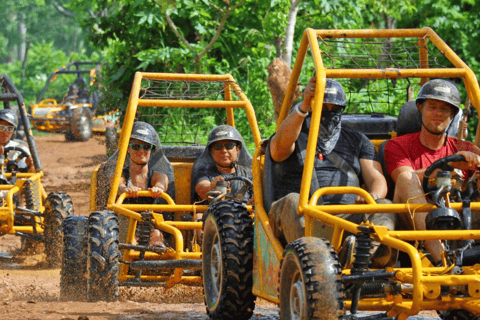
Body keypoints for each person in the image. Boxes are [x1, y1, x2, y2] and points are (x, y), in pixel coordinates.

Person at [267, 76, 395, 267]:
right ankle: (317, 261)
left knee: (385, 205)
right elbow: (278, 150)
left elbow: (377, 179)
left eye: (332, 107)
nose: (327, 111)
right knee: (293, 200)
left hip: (347, 216)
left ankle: (358, 258)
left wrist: (372, 196)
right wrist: (303, 105)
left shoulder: (357, 140)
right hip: (303, 213)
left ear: (341, 109)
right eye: (321, 105)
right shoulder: (294, 133)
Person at [384, 78, 480, 265]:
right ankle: (443, 261)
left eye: (444, 109)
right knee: (407, 177)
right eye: (432, 107)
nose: (438, 114)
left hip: (460, 218)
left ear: (452, 114)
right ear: (420, 108)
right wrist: (447, 166)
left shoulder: (465, 148)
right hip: (412, 221)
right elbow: (403, 179)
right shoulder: (397, 145)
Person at [117, 121, 169, 247]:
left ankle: (157, 264)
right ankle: (130, 263)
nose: (141, 151)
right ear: (128, 148)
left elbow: (163, 182)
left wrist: (158, 188)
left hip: (148, 226)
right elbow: (118, 185)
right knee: (131, 241)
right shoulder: (121, 174)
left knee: (157, 235)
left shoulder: (156, 175)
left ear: (151, 150)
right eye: (136, 146)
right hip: (125, 226)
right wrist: (126, 190)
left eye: (146, 147)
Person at [192, 125, 253, 203]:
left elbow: (259, 197)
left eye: (229, 146)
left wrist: (253, 203)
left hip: (243, 213)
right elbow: (202, 189)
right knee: (199, 216)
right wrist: (211, 187)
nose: (223, 150)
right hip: (212, 214)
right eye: (218, 146)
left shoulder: (249, 174)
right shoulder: (203, 172)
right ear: (211, 151)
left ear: (237, 149)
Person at [0, 109, 35, 173]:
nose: (5, 132)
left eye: (9, 128)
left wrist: (31, 165)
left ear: (13, 132)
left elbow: (30, 178)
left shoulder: (20, 150)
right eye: (1, 127)